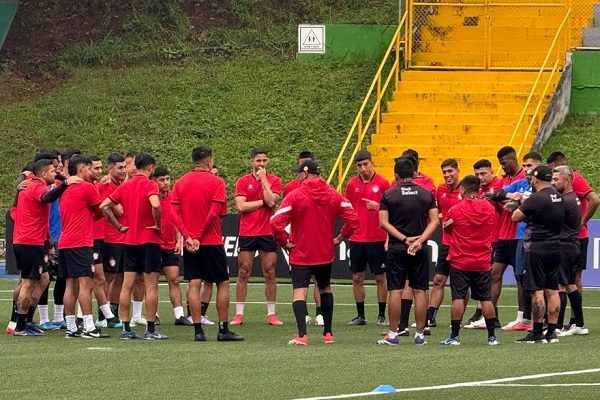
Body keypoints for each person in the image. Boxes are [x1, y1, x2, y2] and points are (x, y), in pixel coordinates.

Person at [271, 159, 358, 345]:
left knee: (299, 292)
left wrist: (284, 242)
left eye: (298, 174)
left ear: (304, 173)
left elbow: (275, 222)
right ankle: (328, 334)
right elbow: (353, 218)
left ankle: (302, 335)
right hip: (324, 253)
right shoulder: (333, 195)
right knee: (325, 287)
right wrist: (341, 237)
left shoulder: (296, 195)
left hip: (301, 253)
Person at [171, 146, 243, 342]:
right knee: (223, 282)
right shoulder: (216, 182)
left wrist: (188, 237)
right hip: (210, 241)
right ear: (209, 161)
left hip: (191, 243)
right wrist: (199, 237)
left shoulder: (180, 182)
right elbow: (215, 214)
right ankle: (223, 329)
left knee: (194, 283)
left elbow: (173, 214)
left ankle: (198, 331)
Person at [100, 153, 168, 340]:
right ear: (151, 168)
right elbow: (155, 204)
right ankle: (151, 329)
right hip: (148, 240)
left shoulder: (126, 185)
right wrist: (157, 224)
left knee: (126, 286)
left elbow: (104, 206)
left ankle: (126, 328)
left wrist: (119, 226)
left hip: (129, 240)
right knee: (151, 286)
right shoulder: (150, 184)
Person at [12, 159, 77, 336]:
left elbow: (41, 217)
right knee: (27, 283)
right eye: (52, 171)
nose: (54, 173)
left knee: (44, 279)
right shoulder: (37, 187)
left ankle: (26, 320)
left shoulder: (31, 185)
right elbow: (46, 197)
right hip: (28, 242)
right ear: (43, 174)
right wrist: (64, 184)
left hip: (34, 241)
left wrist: (48, 242)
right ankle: (19, 326)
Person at [377, 159, 439, 346]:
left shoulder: (389, 195)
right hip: (419, 248)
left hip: (397, 247)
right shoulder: (426, 194)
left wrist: (404, 239)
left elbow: (383, 222)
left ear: (396, 175)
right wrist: (419, 240)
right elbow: (435, 221)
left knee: (396, 290)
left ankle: (393, 334)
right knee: (420, 290)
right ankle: (420, 335)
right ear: (414, 174)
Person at [439, 175, 499, 346]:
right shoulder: (489, 208)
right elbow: (492, 227)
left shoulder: (455, 209)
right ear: (479, 189)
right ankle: (492, 337)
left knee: (458, 297)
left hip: (461, 260)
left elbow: (447, 230)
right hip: (482, 260)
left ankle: (455, 336)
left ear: (462, 189)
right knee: (486, 299)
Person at [547, 151, 599, 328]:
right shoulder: (565, 188)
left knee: (570, 280)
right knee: (569, 280)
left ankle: (573, 321)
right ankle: (574, 321)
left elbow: (594, 199)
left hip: (574, 238)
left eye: (554, 174)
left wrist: (582, 222)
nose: (552, 180)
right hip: (573, 238)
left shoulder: (574, 178)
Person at [231, 148, 283, 326]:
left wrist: (264, 181)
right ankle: (239, 313)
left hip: (268, 231)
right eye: (258, 161)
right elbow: (241, 207)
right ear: (251, 161)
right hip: (247, 232)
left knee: (270, 272)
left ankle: (271, 314)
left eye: (264, 161)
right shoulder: (242, 181)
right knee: (243, 271)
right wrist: (261, 202)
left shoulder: (274, 180)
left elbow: (271, 201)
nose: (261, 164)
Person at [513, 165, 564, 343]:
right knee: (553, 290)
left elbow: (515, 217)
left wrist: (522, 204)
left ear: (535, 179)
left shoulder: (536, 198)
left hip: (536, 247)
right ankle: (551, 331)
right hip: (555, 247)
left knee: (537, 292)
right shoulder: (558, 196)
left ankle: (536, 331)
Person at [58, 155, 108, 338]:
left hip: (65, 242)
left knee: (71, 286)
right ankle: (88, 325)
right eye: (88, 168)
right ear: (81, 169)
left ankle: (71, 326)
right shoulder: (87, 187)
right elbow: (101, 209)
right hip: (81, 242)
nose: (91, 171)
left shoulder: (63, 188)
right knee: (86, 284)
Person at [343, 150, 390, 326]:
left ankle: (381, 315)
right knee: (357, 277)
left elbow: (391, 209)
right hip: (357, 239)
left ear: (372, 163)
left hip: (377, 237)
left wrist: (377, 206)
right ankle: (360, 315)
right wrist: (344, 233)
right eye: (359, 166)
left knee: (380, 277)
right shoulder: (351, 185)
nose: (363, 169)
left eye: (366, 164)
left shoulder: (383, 183)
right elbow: (347, 209)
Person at [283, 151, 323, 326]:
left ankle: (320, 313)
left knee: (319, 279)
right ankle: (304, 314)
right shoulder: (290, 187)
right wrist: (285, 239)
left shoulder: (323, 188)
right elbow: (283, 215)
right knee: (300, 279)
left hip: (316, 237)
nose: (298, 174)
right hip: (298, 238)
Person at [152, 166, 193, 326]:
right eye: (162, 180)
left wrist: (178, 240)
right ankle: (153, 315)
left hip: (170, 244)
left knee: (174, 279)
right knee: (151, 281)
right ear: (154, 182)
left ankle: (179, 315)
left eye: (167, 179)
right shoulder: (152, 198)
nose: (166, 183)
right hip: (154, 244)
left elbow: (177, 220)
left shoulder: (174, 198)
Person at [489, 146, 525, 328]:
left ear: (513, 159)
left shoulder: (524, 178)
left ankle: (521, 317)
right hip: (503, 234)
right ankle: (490, 316)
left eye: (504, 163)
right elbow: (495, 198)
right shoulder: (503, 181)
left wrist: (504, 198)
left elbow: (521, 203)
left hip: (518, 234)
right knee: (494, 273)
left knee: (520, 277)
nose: (502, 167)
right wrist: (506, 199)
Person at [552, 166, 587, 336]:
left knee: (561, 285)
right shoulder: (573, 198)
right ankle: (579, 324)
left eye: (556, 179)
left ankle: (558, 325)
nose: (553, 182)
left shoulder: (565, 200)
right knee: (571, 284)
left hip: (565, 246)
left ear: (567, 180)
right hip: (572, 245)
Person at [426, 159, 461, 328]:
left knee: (460, 283)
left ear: (457, 171)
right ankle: (430, 317)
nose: (447, 175)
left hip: (462, 244)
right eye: (444, 172)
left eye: (450, 171)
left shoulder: (466, 190)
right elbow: (435, 211)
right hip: (446, 242)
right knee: (438, 279)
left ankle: (458, 318)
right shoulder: (440, 190)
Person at [88, 155, 121, 329]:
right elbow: (118, 210)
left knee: (103, 277)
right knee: (87, 280)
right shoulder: (100, 186)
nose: (99, 171)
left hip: (98, 238)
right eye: (96, 168)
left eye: (100, 168)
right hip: (89, 239)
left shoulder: (96, 186)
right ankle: (84, 320)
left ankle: (107, 316)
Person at [97, 153, 127, 327]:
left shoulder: (121, 185)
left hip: (124, 237)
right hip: (110, 237)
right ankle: (103, 315)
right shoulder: (107, 186)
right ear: (111, 168)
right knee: (109, 276)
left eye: (124, 167)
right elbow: (121, 210)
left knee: (122, 276)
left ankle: (113, 314)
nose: (123, 171)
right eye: (120, 168)